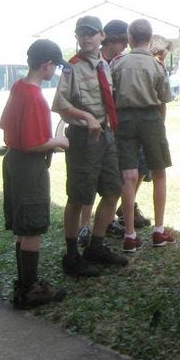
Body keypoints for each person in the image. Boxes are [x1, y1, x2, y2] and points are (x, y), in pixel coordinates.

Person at [53, 15, 128, 276]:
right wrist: (86, 117)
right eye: (81, 34)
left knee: (112, 190)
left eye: (91, 33)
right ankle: (72, 256)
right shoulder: (71, 67)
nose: (86, 38)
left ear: (101, 37)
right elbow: (60, 104)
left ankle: (95, 246)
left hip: (106, 135)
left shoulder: (103, 65)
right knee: (78, 197)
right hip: (84, 138)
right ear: (76, 38)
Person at [0, 39, 70, 309]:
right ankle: (30, 290)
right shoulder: (35, 97)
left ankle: (23, 286)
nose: (54, 71)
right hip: (29, 167)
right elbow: (34, 144)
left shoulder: (18, 87)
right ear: (46, 65)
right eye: (54, 66)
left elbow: (5, 127)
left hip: (12, 162)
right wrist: (59, 142)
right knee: (32, 229)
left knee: (22, 226)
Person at [111, 18, 176, 251]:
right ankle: (158, 231)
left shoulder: (117, 63)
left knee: (128, 176)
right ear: (149, 40)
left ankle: (129, 235)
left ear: (130, 38)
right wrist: (160, 124)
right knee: (159, 173)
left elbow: (110, 94)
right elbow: (164, 99)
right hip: (151, 118)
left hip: (124, 119)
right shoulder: (157, 66)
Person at [75, 18, 132, 246]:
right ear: (112, 39)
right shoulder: (79, 65)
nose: (124, 46)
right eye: (122, 41)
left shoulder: (108, 65)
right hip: (90, 133)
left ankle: (103, 227)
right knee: (88, 185)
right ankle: (83, 228)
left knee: (111, 183)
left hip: (110, 129)